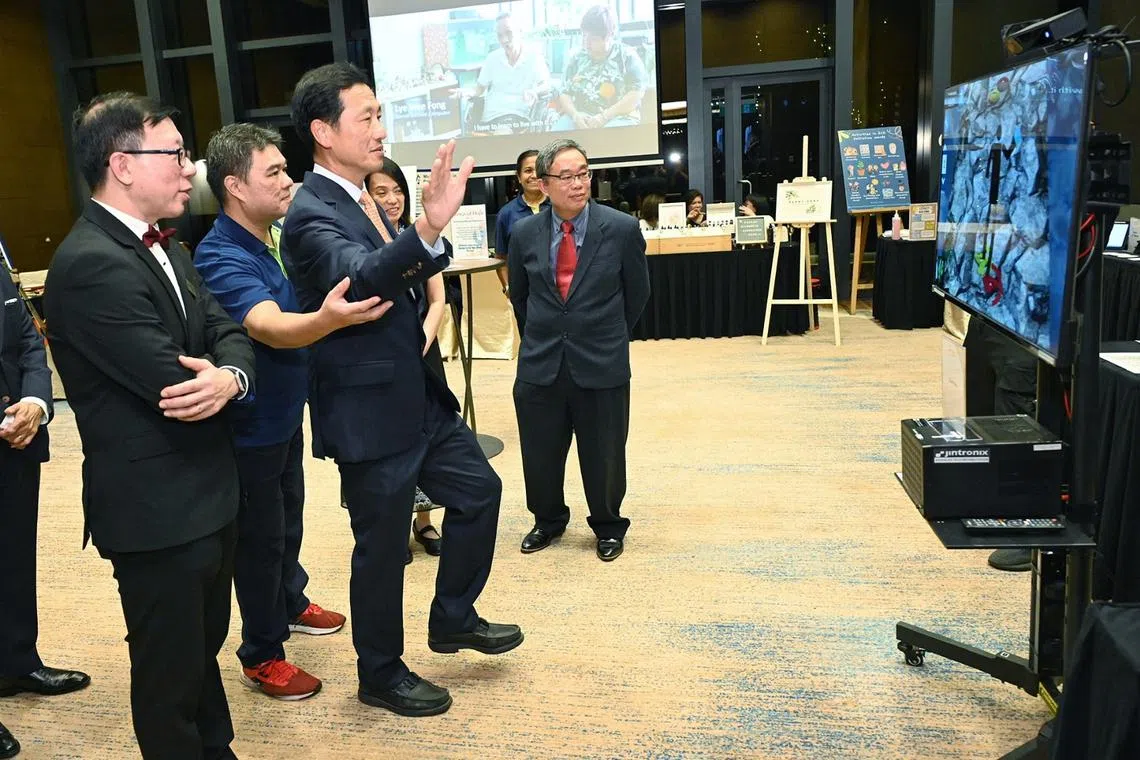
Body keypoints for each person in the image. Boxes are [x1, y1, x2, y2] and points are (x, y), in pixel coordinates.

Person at [282, 62, 522, 717]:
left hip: (419, 398)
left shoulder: (365, 197)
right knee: (382, 550)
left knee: (479, 491)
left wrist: (422, 236)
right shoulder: (310, 213)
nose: (381, 130)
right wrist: (428, 230)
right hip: (367, 411)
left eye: (381, 115)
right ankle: (380, 673)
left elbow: (405, 276)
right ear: (323, 131)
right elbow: (360, 280)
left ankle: (453, 617)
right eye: (367, 117)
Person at [44, 92, 255, 759]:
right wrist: (218, 374)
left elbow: (227, 329)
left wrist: (231, 375)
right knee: (170, 672)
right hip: (156, 511)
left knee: (201, 651)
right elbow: (173, 380)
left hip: (205, 492)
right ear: (123, 165)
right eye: (176, 154)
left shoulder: (167, 245)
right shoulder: (91, 263)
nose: (189, 168)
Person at [194, 123, 384, 700]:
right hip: (249, 422)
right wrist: (327, 321)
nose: (288, 181)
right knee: (259, 539)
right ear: (234, 186)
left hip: (283, 412)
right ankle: (262, 653)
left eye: (285, 168)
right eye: (273, 172)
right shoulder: (219, 254)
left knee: (289, 517)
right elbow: (268, 326)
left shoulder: (274, 236)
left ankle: (290, 600)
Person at [508, 138, 650, 562]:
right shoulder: (523, 233)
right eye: (566, 176)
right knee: (540, 452)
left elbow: (637, 294)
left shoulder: (621, 229)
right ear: (544, 184)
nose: (578, 183)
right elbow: (521, 297)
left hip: (601, 360)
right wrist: (545, 335)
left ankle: (608, 524)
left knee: (604, 452)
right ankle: (547, 520)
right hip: (541, 361)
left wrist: (606, 335)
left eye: (584, 173)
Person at [1, 256, 90, 757]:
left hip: (16, 433)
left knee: (14, 556)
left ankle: (16, 663)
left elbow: (26, 336)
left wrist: (36, 401)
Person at [366, 157, 448, 559]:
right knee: (388, 445)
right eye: (381, 192)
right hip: (382, 356)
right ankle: (394, 524)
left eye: (397, 190)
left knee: (426, 438)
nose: (392, 199)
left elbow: (438, 300)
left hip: (422, 353)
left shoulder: (417, 235)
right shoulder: (361, 243)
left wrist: (422, 340)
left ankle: (424, 521)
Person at [964, 317, 1038, 572]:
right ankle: (992, 503)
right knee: (982, 410)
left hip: (1036, 322)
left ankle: (1027, 524)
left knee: (1017, 390)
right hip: (991, 312)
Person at [554, 5, 649, 131]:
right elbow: (564, 92)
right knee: (558, 134)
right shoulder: (576, 58)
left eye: (593, 39)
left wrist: (604, 117)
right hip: (579, 116)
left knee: (607, 138)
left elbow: (635, 94)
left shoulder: (627, 57)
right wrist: (575, 115)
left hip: (618, 117)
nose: (586, 44)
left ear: (610, 35)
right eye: (584, 36)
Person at [470, 13, 550, 133]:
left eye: (509, 33)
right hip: (489, 118)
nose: (504, 40)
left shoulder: (534, 57)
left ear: (520, 32)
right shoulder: (492, 58)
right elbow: (480, 88)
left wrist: (534, 91)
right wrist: (467, 93)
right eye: (500, 35)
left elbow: (546, 85)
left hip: (517, 116)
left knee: (501, 133)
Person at [494, 149, 549, 293]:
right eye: (528, 170)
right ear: (519, 177)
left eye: (539, 170)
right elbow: (501, 259)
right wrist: (508, 289)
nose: (534, 175)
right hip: (524, 291)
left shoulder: (559, 207)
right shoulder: (506, 214)